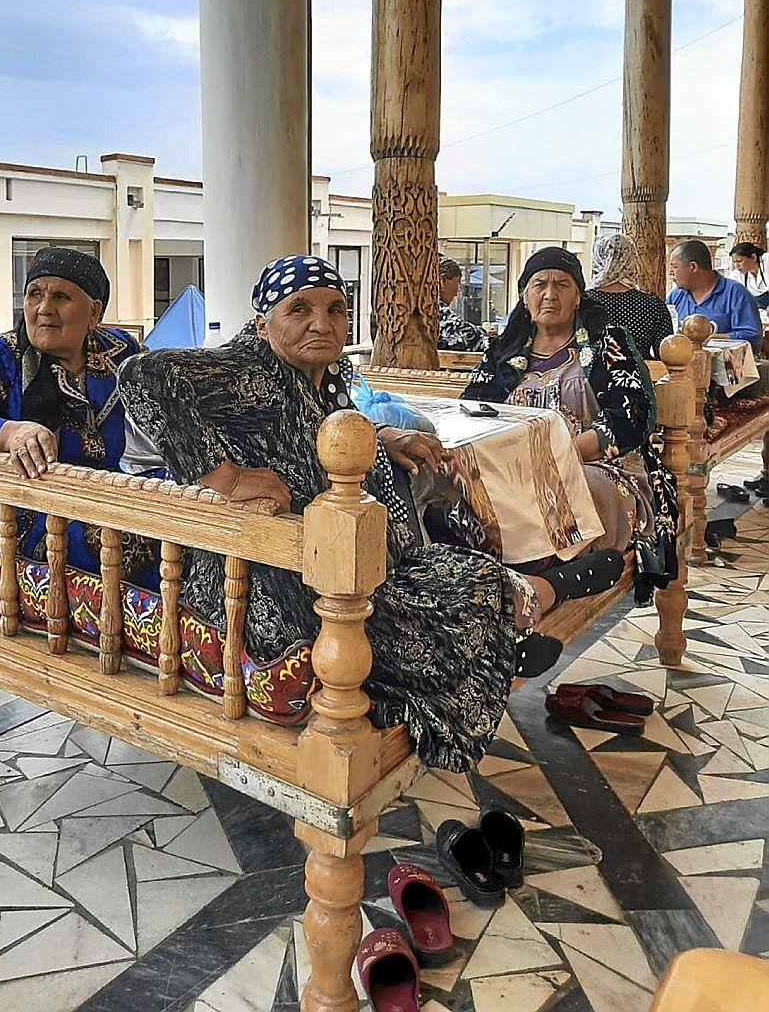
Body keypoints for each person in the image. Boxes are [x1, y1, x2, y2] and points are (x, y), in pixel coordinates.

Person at [117, 254, 624, 771]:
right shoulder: (251, 368)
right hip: (273, 577)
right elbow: (141, 375)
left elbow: (325, 431)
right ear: (263, 323)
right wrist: (225, 477)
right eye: (299, 309)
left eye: (336, 310)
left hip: (337, 560)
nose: (322, 323)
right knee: (433, 604)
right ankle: (523, 621)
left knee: (463, 572)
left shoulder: (321, 374)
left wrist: (383, 436)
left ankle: (522, 617)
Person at [0, 246, 149, 576]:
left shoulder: (120, 350)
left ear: (94, 313)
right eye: (35, 294)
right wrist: (8, 433)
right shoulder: (1, 356)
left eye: (61, 297)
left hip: (107, 500)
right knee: (125, 541)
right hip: (23, 519)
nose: (44, 309)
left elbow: (165, 397)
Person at [464, 247, 679, 602]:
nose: (550, 294)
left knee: (571, 489)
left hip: (596, 466)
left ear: (578, 296)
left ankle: (540, 577)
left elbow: (634, 417)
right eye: (539, 284)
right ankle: (495, 576)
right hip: (514, 468)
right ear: (525, 296)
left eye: (562, 285)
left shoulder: (609, 343)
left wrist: (559, 457)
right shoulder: (504, 350)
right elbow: (472, 410)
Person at [585, 232, 673, 360]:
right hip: (641, 372)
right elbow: (667, 355)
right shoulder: (653, 305)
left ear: (597, 260)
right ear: (631, 261)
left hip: (590, 373)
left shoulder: (580, 303)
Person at [667, 239, 762, 346]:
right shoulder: (675, 296)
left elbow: (752, 337)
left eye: (675, 267)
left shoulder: (735, 293)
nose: (671, 272)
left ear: (693, 267)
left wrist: (706, 338)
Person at [437, 257, 488, 352]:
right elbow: (465, 334)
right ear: (442, 282)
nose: (455, 294)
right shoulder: (434, 308)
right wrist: (483, 332)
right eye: (456, 285)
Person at [728, 241, 769, 311]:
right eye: (734, 262)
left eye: (739, 261)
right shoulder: (737, 274)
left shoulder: (767, 261)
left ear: (753, 257)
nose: (736, 265)